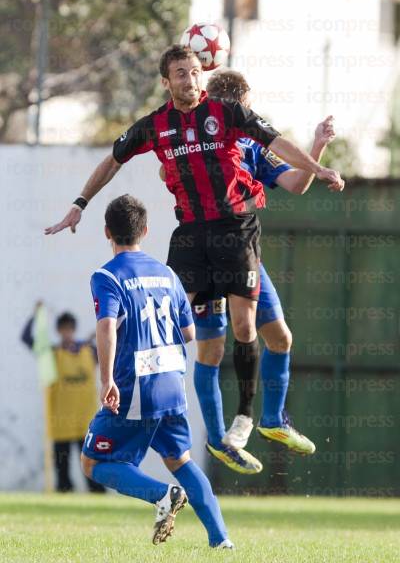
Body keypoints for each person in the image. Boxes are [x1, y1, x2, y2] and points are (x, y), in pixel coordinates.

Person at [45, 44, 344, 470]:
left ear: (204, 75)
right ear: (166, 82)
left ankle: (249, 416)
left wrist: (319, 165)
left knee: (251, 329)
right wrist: (79, 202)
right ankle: (131, 395)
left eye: (194, 72)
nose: (190, 79)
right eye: (181, 74)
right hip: (192, 238)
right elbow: (113, 160)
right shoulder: (156, 126)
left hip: (235, 233)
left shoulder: (230, 118)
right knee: (175, 328)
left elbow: (281, 146)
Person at [185, 70, 337, 471]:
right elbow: (170, 170)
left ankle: (273, 420)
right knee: (213, 348)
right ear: (240, 104)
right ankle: (222, 438)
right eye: (249, 105)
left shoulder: (251, 143)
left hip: (245, 255)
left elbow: (295, 184)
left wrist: (317, 147)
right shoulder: (197, 139)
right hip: (204, 253)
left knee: (280, 338)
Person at [80, 193, 233, 548]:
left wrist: (107, 381)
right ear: (145, 231)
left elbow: (106, 325)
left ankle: (163, 495)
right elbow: (189, 332)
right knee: (180, 458)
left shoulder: (106, 276)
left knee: (94, 461)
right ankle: (221, 539)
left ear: (107, 231)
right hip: (172, 381)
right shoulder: (167, 274)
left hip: (136, 385)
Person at [21, 306, 105, 493]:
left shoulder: (89, 351)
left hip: (86, 421)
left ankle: (98, 494)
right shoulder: (51, 353)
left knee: (91, 466)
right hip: (61, 422)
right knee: (62, 473)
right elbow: (27, 338)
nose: (67, 333)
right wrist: (36, 316)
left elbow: (111, 344)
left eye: (70, 329)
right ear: (58, 331)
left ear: (74, 330)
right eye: (63, 329)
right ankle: (64, 494)